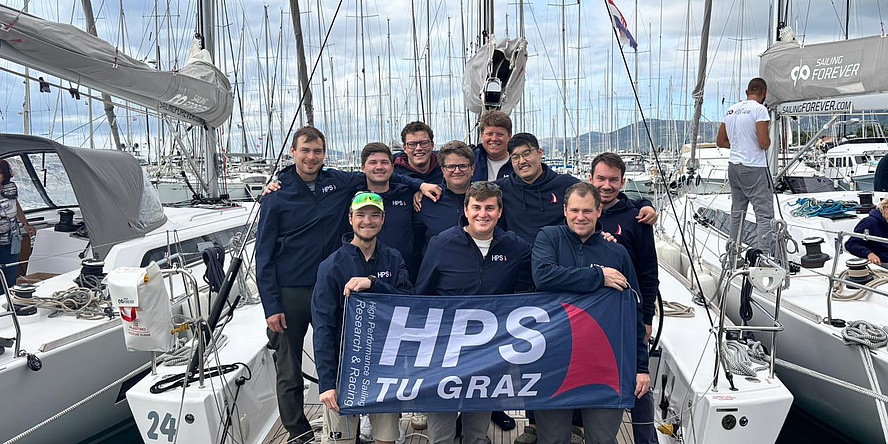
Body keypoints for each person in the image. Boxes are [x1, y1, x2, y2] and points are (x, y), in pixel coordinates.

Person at [256, 127, 439, 442]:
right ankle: (299, 431)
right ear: (294, 153)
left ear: (324, 154)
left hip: (336, 282)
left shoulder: (338, 182)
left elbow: (383, 177)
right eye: (305, 151)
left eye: (317, 151)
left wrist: (418, 184)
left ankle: (356, 416)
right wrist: (271, 305)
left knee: (347, 352)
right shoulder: (278, 194)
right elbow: (263, 254)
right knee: (288, 365)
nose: (311, 157)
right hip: (291, 291)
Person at [531, 183, 650, 444]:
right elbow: (543, 276)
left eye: (587, 211)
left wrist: (641, 367)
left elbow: (634, 312)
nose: (580, 217)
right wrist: (599, 276)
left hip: (604, 363)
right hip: (555, 360)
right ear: (564, 210)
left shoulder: (616, 252)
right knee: (552, 439)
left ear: (598, 212)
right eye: (574, 210)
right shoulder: (549, 238)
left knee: (603, 439)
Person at [416, 182, 533, 444]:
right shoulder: (442, 243)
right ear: (466, 211)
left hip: (488, 346)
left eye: (490, 207)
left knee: (478, 419)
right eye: (477, 207)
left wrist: (600, 236)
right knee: (442, 419)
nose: (483, 214)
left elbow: (547, 264)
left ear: (500, 212)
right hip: (445, 345)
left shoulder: (513, 246)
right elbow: (422, 294)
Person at [312, 192, 413, 444]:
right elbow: (323, 327)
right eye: (361, 215)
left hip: (383, 366)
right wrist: (326, 383)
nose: (367, 221)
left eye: (374, 215)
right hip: (344, 369)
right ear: (350, 219)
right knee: (341, 440)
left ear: (382, 220)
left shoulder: (393, 258)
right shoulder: (331, 266)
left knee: (386, 438)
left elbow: (408, 302)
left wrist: (373, 283)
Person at [589, 153, 658, 444]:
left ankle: (645, 437)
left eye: (613, 180)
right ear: (590, 179)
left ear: (623, 182)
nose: (606, 185)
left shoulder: (636, 217)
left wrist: (646, 319)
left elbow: (648, 271)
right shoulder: (580, 212)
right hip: (589, 312)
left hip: (627, 311)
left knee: (637, 377)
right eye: (601, 179)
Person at [718, 77, 774, 253]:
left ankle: (733, 252)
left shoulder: (730, 110)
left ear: (747, 92)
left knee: (738, 212)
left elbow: (720, 141)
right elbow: (763, 143)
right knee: (764, 215)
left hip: (734, 166)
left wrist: (739, 145)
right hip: (754, 167)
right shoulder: (760, 110)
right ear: (764, 93)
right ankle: (765, 258)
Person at [361, 142, 421, 274]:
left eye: (384, 162)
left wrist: (419, 189)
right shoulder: (353, 198)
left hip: (403, 273)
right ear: (363, 168)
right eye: (373, 162)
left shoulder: (407, 194)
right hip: (364, 274)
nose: (379, 167)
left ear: (392, 167)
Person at [417, 141, 475, 243]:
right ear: (443, 170)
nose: (457, 171)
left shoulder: (483, 199)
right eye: (451, 167)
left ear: (472, 169)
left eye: (463, 166)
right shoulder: (427, 200)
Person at [0, 159, 35, 289]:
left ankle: (9, 304)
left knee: (10, 277)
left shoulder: (11, 187)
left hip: (12, 240)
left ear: (4, 175)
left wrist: (25, 224)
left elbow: (16, 205)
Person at [472, 110, 515, 181]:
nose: (494, 139)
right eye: (489, 134)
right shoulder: (471, 158)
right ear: (482, 135)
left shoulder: (518, 163)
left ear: (509, 136)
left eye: (500, 134)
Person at [846, 196, 888, 266]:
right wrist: (869, 254)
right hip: (881, 263)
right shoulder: (870, 222)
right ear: (884, 209)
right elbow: (851, 244)